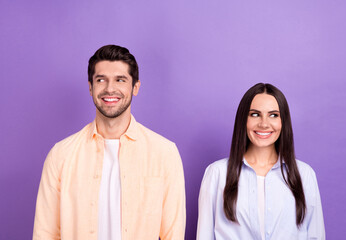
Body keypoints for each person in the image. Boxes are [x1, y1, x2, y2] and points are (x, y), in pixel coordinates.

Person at [33, 45, 186, 240]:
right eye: (101, 80)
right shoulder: (61, 155)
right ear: (90, 87)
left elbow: (173, 235)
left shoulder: (165, 153)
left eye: (120, 80)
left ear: (135, 87)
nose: (110, 88)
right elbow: (45, 234)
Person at [197, 83, 325, 240]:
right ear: (243, 119)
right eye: (255, 114)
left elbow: (316, 236)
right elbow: (204, 235)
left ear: (283, 121)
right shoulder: (217, 173)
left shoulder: (304, 174)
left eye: (273, 115)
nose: (264, 123)